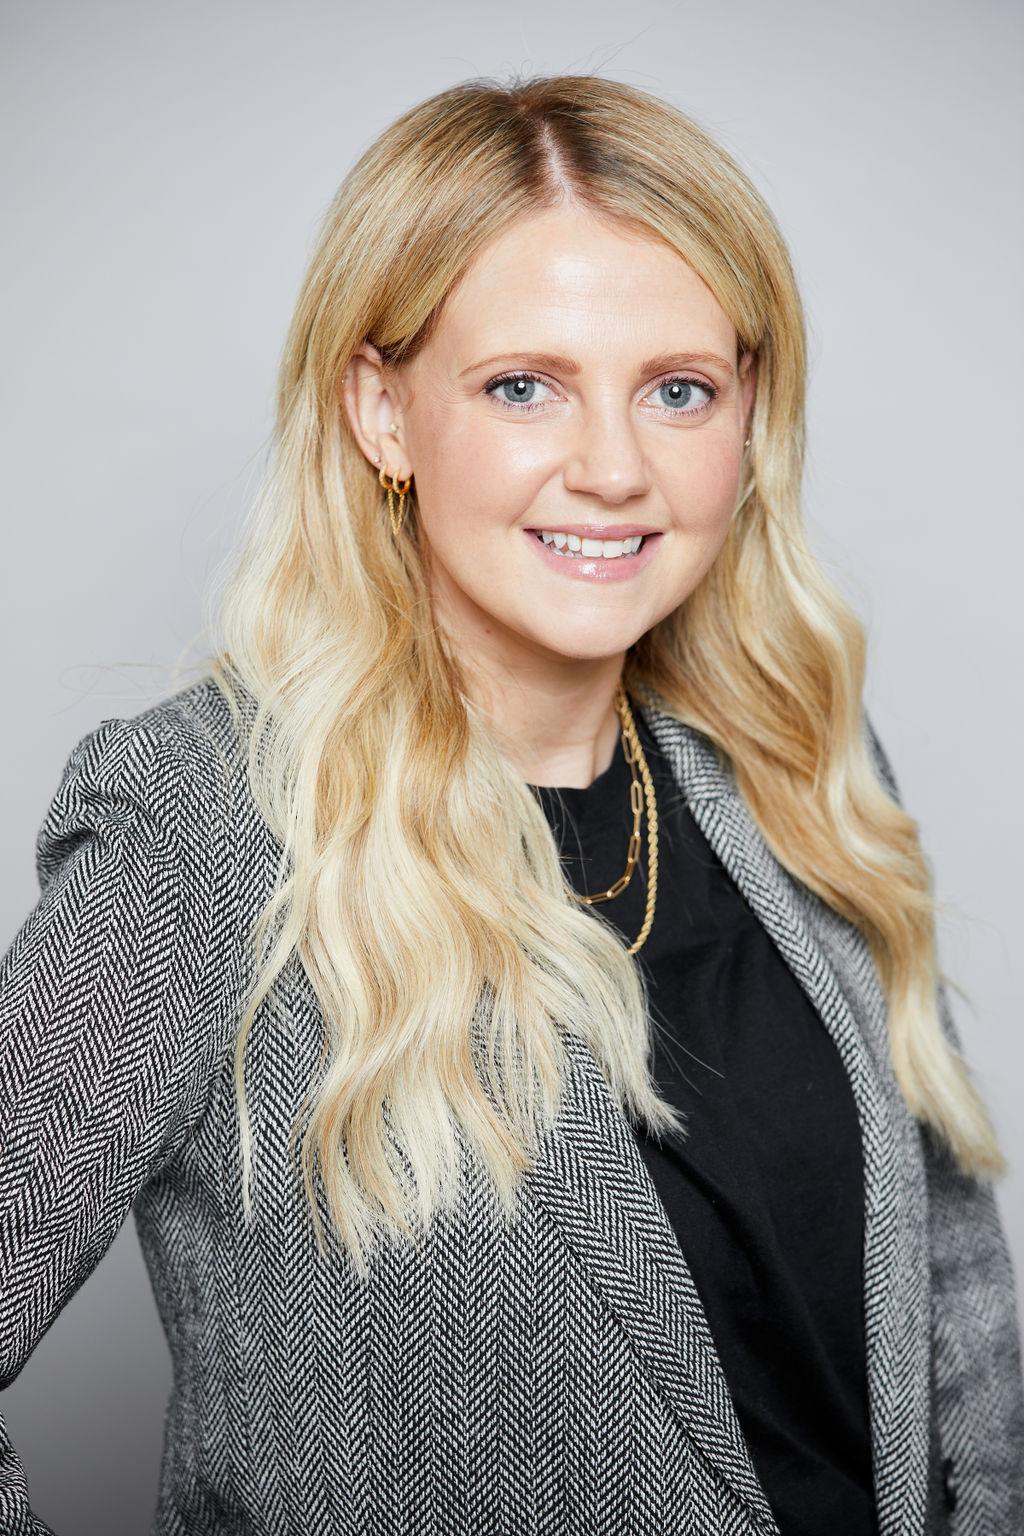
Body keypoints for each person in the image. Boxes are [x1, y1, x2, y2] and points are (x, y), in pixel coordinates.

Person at [1, 72, 1021, 1536]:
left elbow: (947, 1273)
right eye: (523, 386)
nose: (612, 468)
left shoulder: (798, 757)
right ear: (382, 410)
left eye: (679, 391)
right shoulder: (206, 823)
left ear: (748, 416)